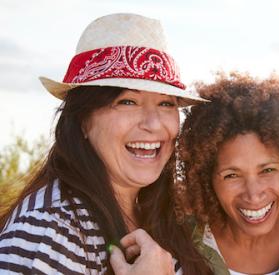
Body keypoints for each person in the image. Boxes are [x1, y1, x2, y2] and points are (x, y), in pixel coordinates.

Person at [0, 13, 211, 275]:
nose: (154, 124)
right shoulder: (54, 227)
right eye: (127, 102)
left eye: (166, 103)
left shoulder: (170, 215)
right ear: (83, 120)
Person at [174, 72, 279, 274]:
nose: (253, 194)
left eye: (267, 170)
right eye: (232, 175)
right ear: (206, 178)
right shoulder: (180, 242)